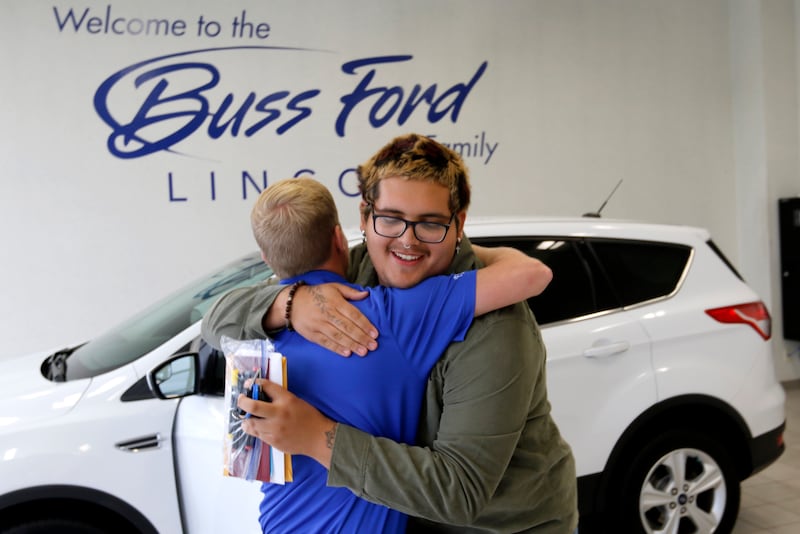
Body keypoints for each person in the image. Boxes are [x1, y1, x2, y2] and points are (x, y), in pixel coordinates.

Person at [203, 134, 578, 533]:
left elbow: (460, 493)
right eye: (391, 218)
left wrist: (317, 437)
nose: (407, 240)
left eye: (430, 223)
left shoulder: (497, 328)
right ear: (364, 218)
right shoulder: (353, 272)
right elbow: (217, 321)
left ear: (458, 225)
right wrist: (290, 304)